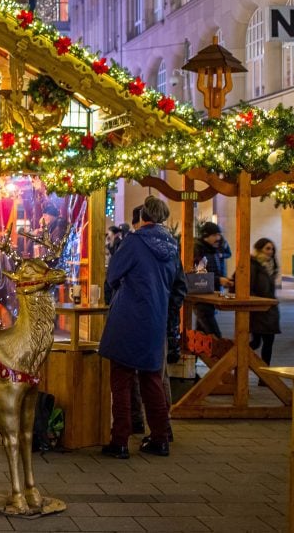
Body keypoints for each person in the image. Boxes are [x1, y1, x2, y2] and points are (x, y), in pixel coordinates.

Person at [99, 195, 179, 459]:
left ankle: (120, 440)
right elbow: (176, 282)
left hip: (129, 317)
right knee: (151, 380)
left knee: (121, 380)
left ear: (143, 215)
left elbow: (113, 275)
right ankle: (160, 438)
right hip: (156, 317)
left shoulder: (134, 241)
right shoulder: (172, 245)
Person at [192, 222, 232, 337]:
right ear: (206, 236)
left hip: (210, 294)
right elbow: (198, 275)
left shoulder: (213, 249)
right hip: (201, 297)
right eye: (214, 235)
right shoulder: (198, 249)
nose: (218, 238)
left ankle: (195, 349)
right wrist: (219, 280)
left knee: (201, 333)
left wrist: (223, 279)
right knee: (215, 335)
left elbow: (215, 268)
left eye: (219, 234)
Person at [247, 238, 281, 365]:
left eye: (272, 249)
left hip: (270, 310)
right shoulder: (253, 265)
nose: (271, 251)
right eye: (267, 248)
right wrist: (255, 302)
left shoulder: (270, 267)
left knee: (268, 342)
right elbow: (249, 288)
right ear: (259, 249)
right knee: (256, 342)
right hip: (258, 310)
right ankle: (234, 359)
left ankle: (265, 372)